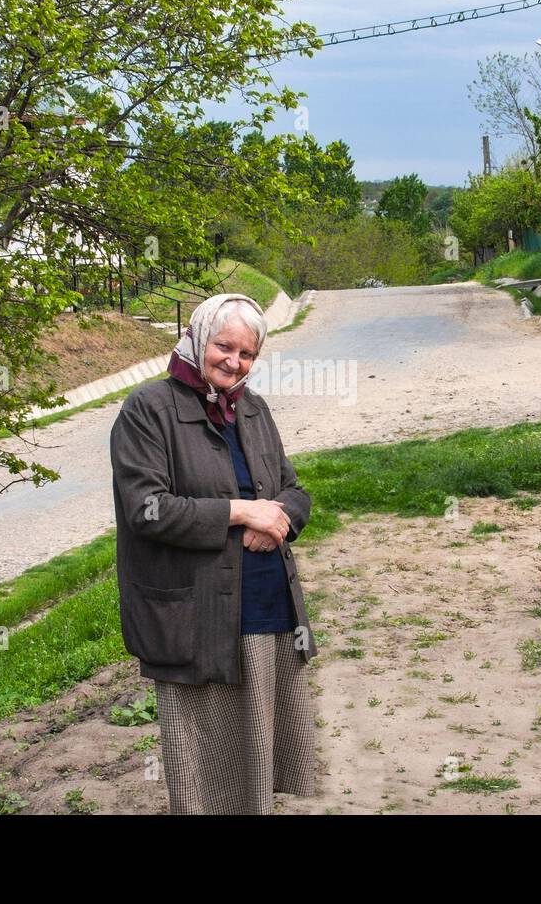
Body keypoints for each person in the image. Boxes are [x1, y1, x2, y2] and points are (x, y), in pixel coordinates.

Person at [109, 292, 318, 814]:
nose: (235, 361)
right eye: (224, 346)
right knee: (203, 763)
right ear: (200, 338)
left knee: (258, 750)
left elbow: (293, 490)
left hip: (266, 606)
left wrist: (279, 521)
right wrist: (243, 513)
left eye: (247, 354)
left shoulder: (251, 407)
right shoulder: (148, 409)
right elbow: (147, 509)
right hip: (197, 612)